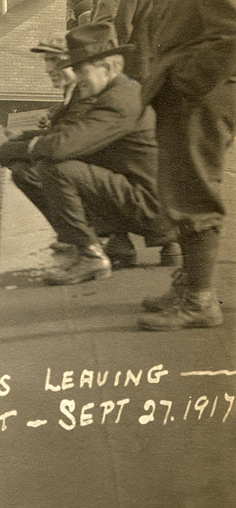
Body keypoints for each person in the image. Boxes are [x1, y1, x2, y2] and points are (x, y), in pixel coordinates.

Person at [0, 22, 176, 284]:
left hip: (150, 208)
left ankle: (91, 255)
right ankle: (114, 243)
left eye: (82, 70)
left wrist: (8, 148)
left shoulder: (117, 101)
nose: (77, 78)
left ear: (108, 67)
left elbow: (61, 146)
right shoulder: (115, 93)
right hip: (148, 200)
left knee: (55, 166)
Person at [136, 0, 236, 330]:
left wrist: (188, 81)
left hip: (198, 97)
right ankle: (190, 287)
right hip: (185, 95)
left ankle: (199, 301)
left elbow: (230, 32)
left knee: (194, 195)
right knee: (179, 192)